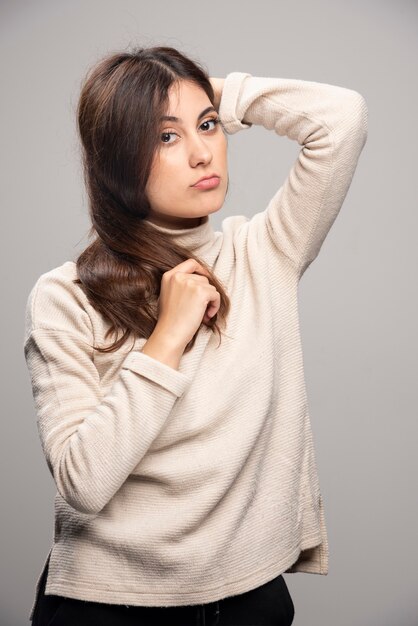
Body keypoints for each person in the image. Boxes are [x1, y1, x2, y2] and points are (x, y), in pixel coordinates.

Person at [23, 45, 368, 625]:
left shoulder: (266, 252)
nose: (203, 151)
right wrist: (167, 338)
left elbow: (343, 118)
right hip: (110, 605)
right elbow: (83, 481)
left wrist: (207, 91)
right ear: (116, 158)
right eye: (164, 137)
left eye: (208, 126)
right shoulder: (66, 296)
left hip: (248, 598)